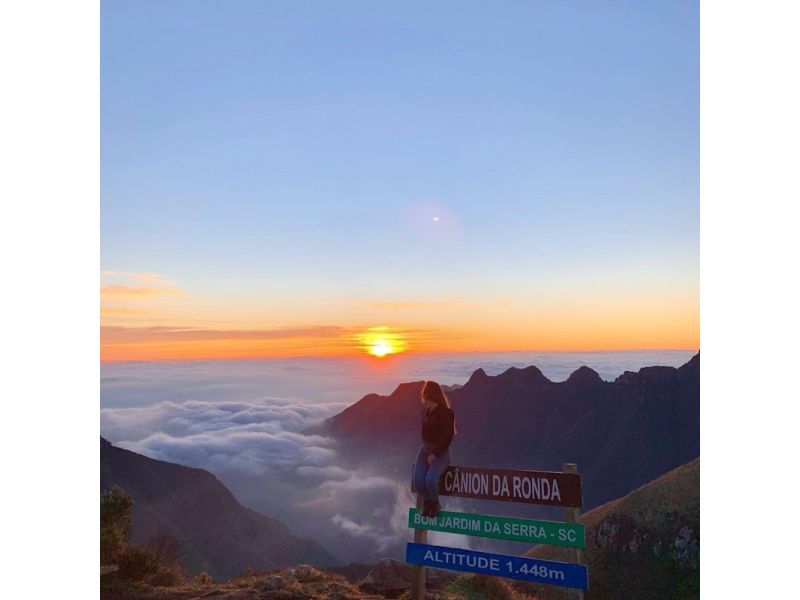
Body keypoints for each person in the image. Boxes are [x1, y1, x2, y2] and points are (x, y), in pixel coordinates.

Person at [411, 380, 457, 518]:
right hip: (425, 449)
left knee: (430, 480)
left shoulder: (445, 413)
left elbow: (447, 436)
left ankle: (435, 503)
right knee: (418, 479)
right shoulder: (425, 412)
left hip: (441, 452)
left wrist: (435, 454)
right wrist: (426, 451)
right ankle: (428, 503)